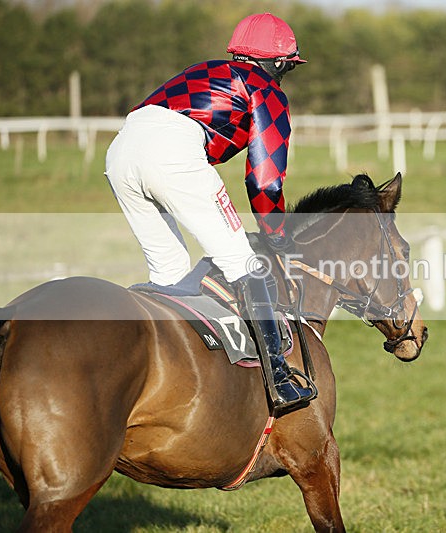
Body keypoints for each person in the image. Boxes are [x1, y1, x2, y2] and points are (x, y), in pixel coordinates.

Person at [105, 13, 315, 414]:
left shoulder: (201, 69)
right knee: (243, 263)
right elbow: (265, 179)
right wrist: (276, 235)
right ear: (279, 63)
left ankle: (168, 376)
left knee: (169, 272)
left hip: (121, 149)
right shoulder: (266, 88)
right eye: (288, 67)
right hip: (173, 152)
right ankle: (279, 378)